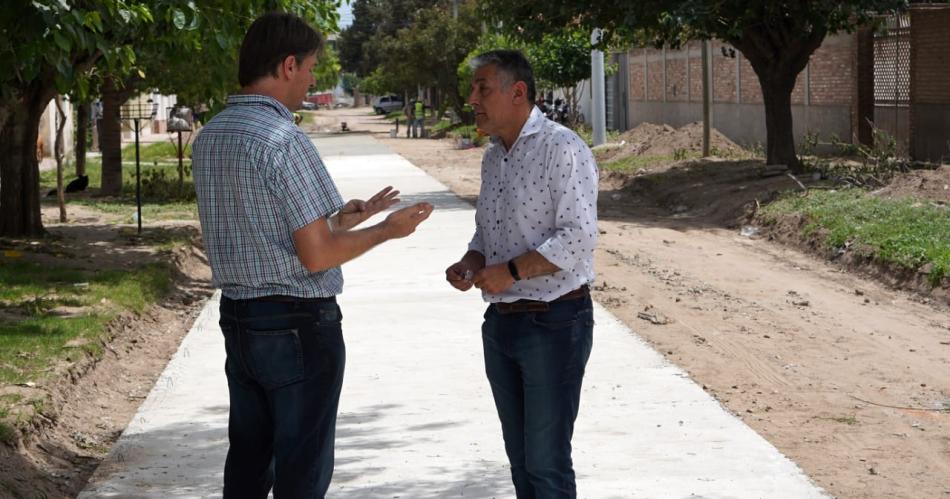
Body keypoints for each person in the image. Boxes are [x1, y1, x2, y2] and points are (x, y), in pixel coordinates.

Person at [191, 12, 433, 498]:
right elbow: (317, 257)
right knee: (302, 467)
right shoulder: (284, 140)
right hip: (297, 324)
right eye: (310, 68)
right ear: (287, 66)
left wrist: (346, 218)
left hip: (240, 320)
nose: (313, 78)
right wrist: (388, 229)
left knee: (249, 460)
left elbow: (269, 231)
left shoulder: (212, 136)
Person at [445, 50, 598, 498]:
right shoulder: (494, 157)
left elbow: (578, 238)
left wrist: (510, 272)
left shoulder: (562, 148)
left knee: (547, 466)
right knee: (522, 466)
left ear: (518, 93)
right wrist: (472, 264)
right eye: (473, 89)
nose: (472, 98)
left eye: (483, 89)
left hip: (553, 324)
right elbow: (486, 234)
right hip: (501, 325)